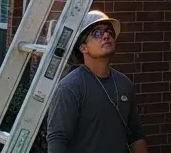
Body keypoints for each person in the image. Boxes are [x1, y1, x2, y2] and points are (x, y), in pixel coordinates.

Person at [45, 10, 146, 153]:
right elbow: (57, 141)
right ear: (83, 48)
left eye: (109, 31)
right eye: (97, 33)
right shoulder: (70, 87)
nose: (106, 35)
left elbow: (136, 135)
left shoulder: (124, 83)